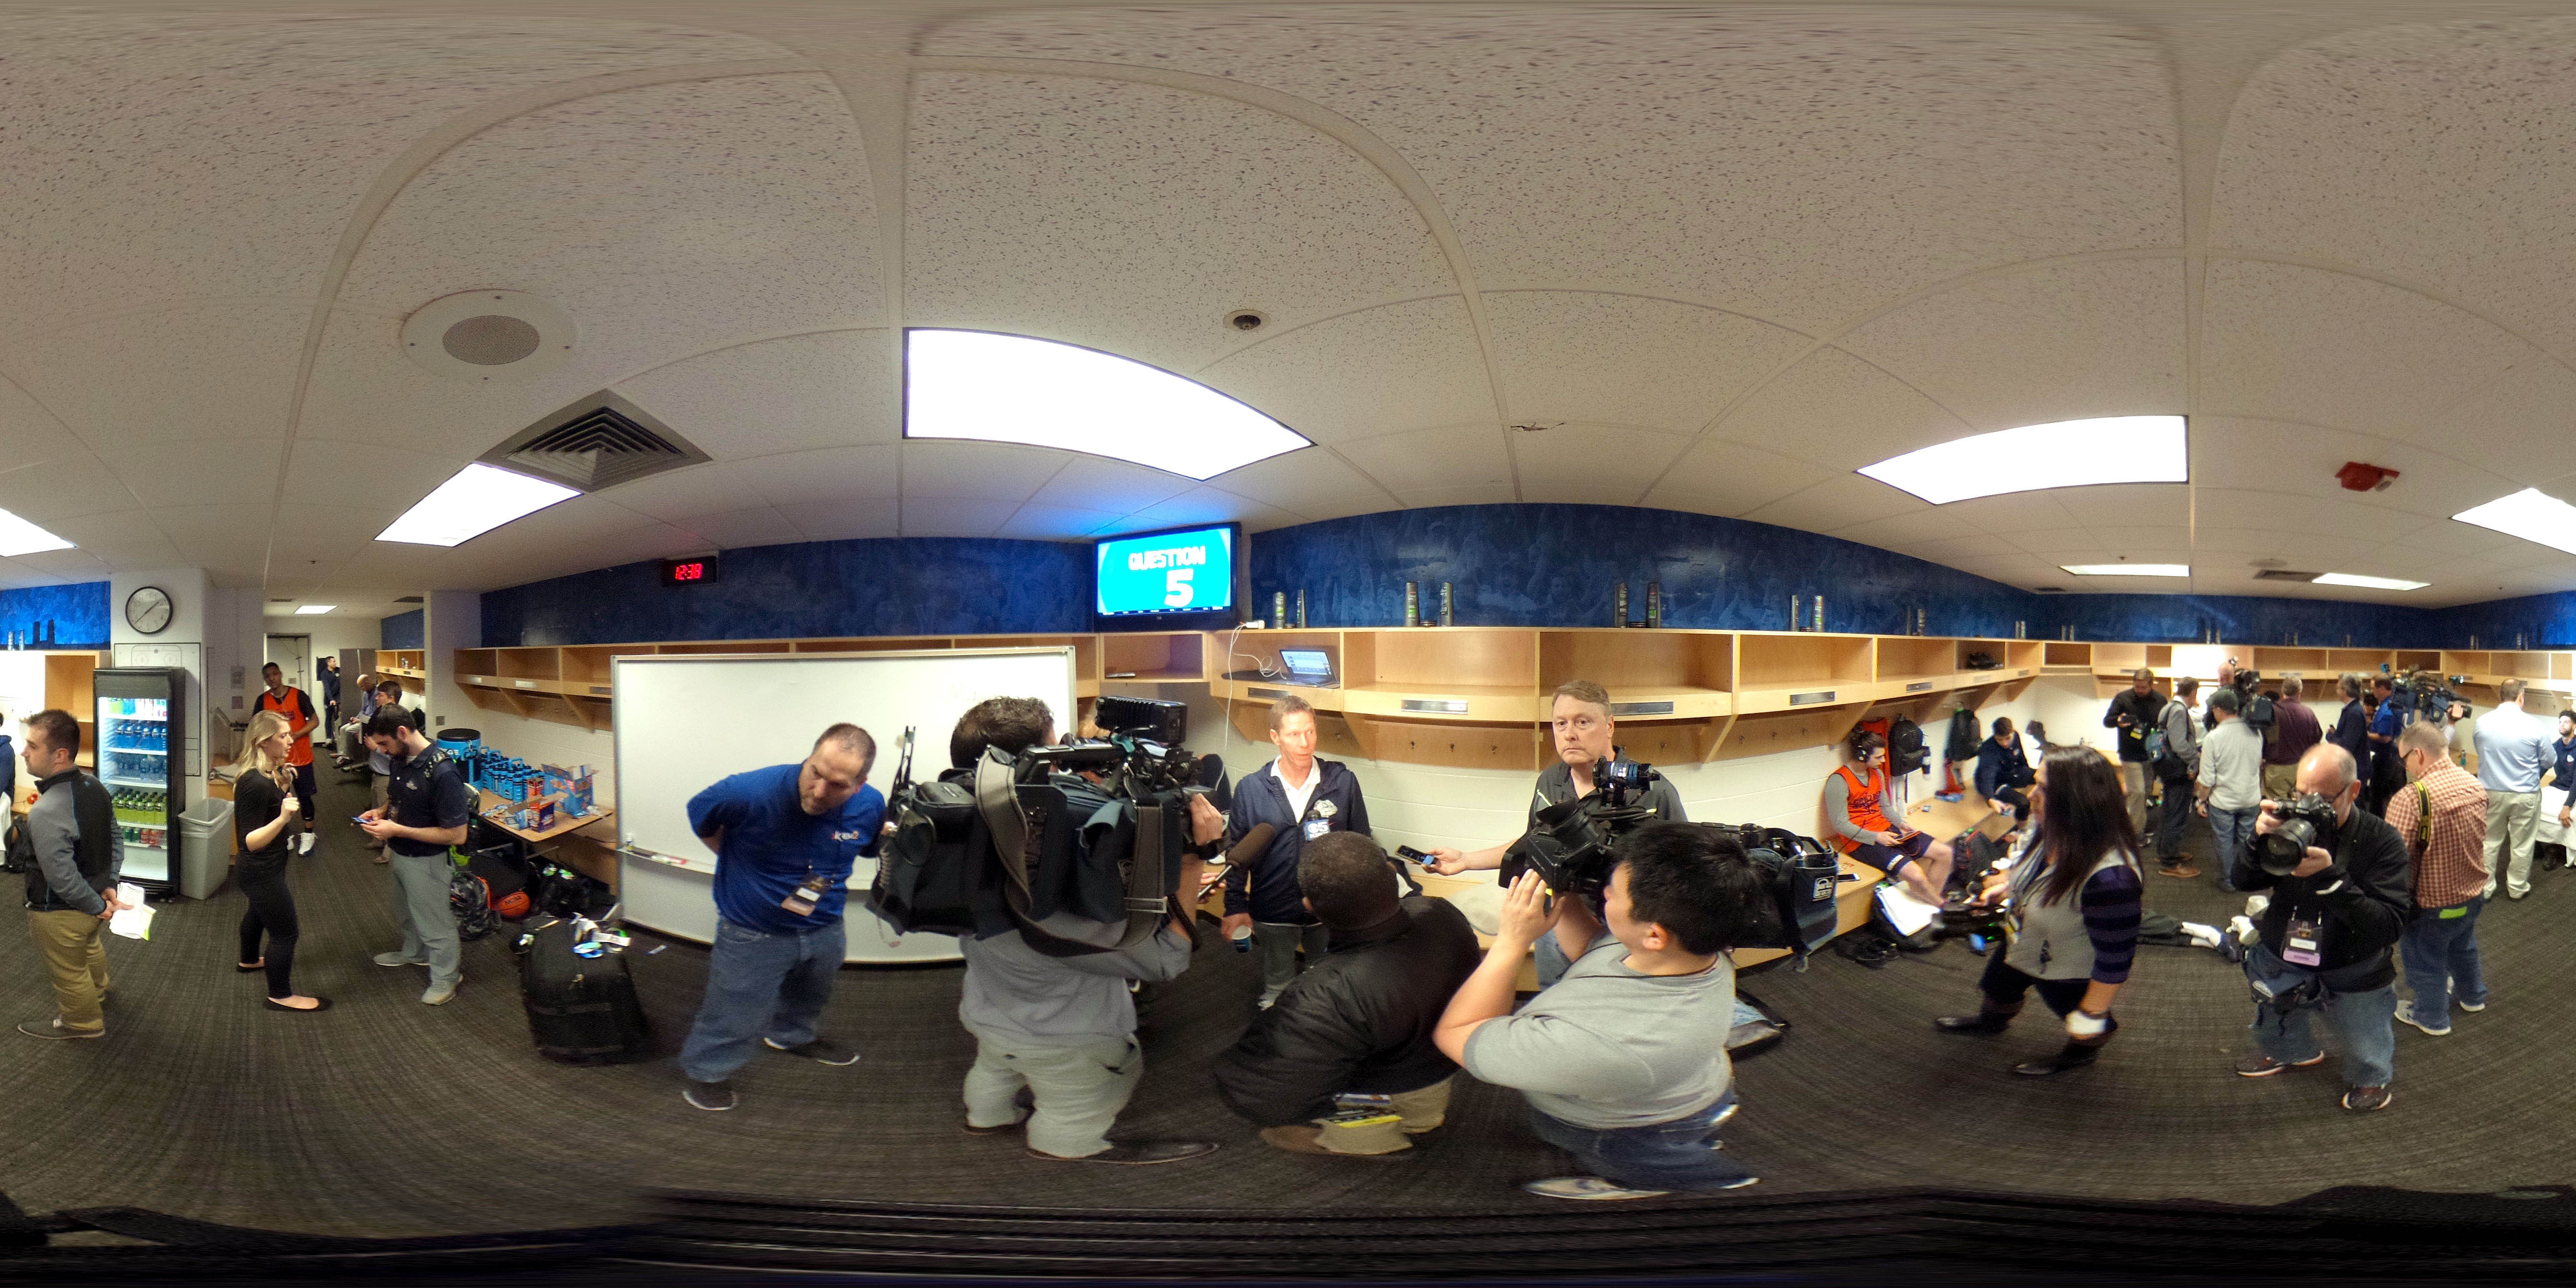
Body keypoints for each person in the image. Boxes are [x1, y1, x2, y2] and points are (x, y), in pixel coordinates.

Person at [949, 698, 1228, 1163]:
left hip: (987, 1013)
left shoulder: (959, 842)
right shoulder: (1054, 896)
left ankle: (987, 1116)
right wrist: (1196, 855)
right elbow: (1166, 959)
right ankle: (1064, 1143)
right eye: (1057, 752)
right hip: (1066, 1039)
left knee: (994, 1068)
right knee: (1084, 1096)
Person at [1438, 821, 1765, 1201]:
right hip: (1690, 1081)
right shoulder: (1699, 946)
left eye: (1612, 895)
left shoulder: (1614, 1043)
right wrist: (1565, 894)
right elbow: (1598, 952)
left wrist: (1511, 943)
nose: (1604, 890)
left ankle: (1669, 1178)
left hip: (1627, 1128)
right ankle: (1702, 1123)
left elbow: (1458, 1032)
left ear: (1655, 935)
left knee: (1613, 1153)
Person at [1213, 832, 1481, 1157]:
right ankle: (1421, 1121)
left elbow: (1265, 1092)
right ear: (1393, 877)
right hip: (1440, 1068)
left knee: (1291, 1126)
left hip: (1384, 1084)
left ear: (1310, 906)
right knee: (1419, 1106)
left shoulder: (1323, 995)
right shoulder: (1441, 913)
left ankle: (1370, 1142)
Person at [675, 725, 884, 1112]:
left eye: (837, 785)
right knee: (735, 1011)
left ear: (860, 784)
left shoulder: (871, 803)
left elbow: (870, 846)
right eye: (815, 773)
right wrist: (733, 858)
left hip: (825, 924)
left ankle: (792, 1036)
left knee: (811, 994)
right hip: (753, 932)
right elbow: (698, 814)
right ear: (809, 758)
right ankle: (707, 1072)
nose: (819, 792)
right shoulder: (747, 792)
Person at [1427, 680, 1687, 988]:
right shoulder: (1551, 780)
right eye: (1560, 724)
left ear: (1609, 726)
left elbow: (1682, 872)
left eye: (1582, 722)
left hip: (1626, 933)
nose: (1569, 734)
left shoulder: (1652, 789)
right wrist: (1466, 860)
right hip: (1558, 917)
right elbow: (1534, 842)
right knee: (1552, 1000)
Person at [1934, 746, 2143, 1076]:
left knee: (2075, 1011)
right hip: (2024, 938)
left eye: (2044, 788)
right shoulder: (2055, 830)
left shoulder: (2112, 878)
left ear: (2077, 799)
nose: (2032, 794)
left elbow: (2116, 959)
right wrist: (2006, 888)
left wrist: (2092, 1014)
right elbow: (2035, 873)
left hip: (2067, 963)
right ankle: (1992, 1024)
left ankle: (2081, 1053)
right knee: (1998, 987)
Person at [2231, 745, 2412, 1113]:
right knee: (2276, 1013)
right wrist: (2257, 841)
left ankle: (2371, 1077)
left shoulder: (2383, 841)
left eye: (2324, 798)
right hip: (2284, 951)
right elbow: (2241, 880)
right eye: (2301, 793)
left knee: (2365, 1036)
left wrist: (2332, 881)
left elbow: (2389, 925)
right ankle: (2294, 1053)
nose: (2308, 805)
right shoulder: (2288, 825)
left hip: (2353, 963)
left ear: (2354, 790)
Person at [1223, 694, 1371, 1008]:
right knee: (1278, 984)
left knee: (1326, 982)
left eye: (1311, 732)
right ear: (1275, 737)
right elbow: (1236, 851)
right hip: (1272, 907)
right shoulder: (1251, 788)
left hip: (1328, 907)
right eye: (1293, 734)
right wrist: (1235, 905)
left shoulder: (1343, 782)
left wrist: (1358, 901)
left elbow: (1361, 841)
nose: (1305, 743)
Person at [16, 709, 124, 1040]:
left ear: (60, 755)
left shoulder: (47, 810)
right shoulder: (94, 785)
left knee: (69, 970)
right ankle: (99, 993)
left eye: (32, 746)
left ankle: (82, 1023)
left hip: (61, 910)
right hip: (93, 898)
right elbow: (115, 838)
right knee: (89, 948)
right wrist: (109, 885)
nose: (24, 752)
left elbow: (60, 877)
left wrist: (95, 904)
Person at [358, 706, 471, 1006]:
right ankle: (414, 953)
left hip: (429, 860)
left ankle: (447, 978)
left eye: (384, 743)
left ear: (403, 733)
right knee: (407, 912)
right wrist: (381, 812)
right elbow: (397, 799)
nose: (381, 750)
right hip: (400, 852)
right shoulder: (399, 759)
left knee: (436, 924)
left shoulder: (443, 771)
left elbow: (457, 835)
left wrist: (396, 829)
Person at [2384, 722, 2489, 1036]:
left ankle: (2432, 1018)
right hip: (2473, 894)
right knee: (2463, 946)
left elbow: (2393, 859)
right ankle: (2473, 997)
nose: (2405, 767)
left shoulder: (2412, 798)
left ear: (2417, 754)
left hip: (2432, 905)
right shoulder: (2473, 783)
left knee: (2425, 961)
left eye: (2404, 760)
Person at [233, 711, 326, 1012]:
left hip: (266, 867)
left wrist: (283, 786)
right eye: (283, 736)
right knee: (286, 933)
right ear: (263, 742)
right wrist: (286, 816)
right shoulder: (253, 783)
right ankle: (281, 995)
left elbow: (266, 809)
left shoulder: (266, 775)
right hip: (260, 869)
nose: (291, 740)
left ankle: (248, 960)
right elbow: (249, 841)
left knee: (258, 912)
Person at [1826, 728, 1952, 907]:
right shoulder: (1839, 781)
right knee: (1916, 875)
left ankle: (1927, 902)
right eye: (1879, 757)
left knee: (1945, 853)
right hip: (1861, 841)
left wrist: (1901, 823)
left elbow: (1884, 806)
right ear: (1862, 756)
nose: (1884, 761)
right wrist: (1876, 837)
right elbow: (1840, 825)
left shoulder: (1876, 774)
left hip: (1887, 830)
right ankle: (1942, 907)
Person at [2470, 678, 2551, 902]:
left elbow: (2481, 749)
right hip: (2525, 794)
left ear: (2501, 696)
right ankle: (2517, 888)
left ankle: (2485, 889)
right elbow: (2550, 759)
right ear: (2521, 697)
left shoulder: (2482, 722)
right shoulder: (2535, 726)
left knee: (2489, 841)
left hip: (2491, 792)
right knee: (2522, 843)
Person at [2195, 689, 2263, 890]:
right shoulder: (2256, 732)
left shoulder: (2214, 738)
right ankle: (2245, 878)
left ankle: (2228, 880)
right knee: (2246, 840)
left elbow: (2207, 779)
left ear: (2218, 710)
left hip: (2224, 801)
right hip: (2250, 798)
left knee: (2224, 841)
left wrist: (2201, 800)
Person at [348, 679, 423, 861]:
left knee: (392, 816)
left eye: (380, 695)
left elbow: (396, 755)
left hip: (387, 776)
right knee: (378, 809)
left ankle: (388, 853)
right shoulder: (380, 718)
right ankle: (378, 841)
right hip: (377, 773)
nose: (377, 698)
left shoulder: (396, 726)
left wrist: (376, 748)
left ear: (391, 697)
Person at [253, 661, 321, 854]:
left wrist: (297, 734)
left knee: (304, 797)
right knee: (278, 799)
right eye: (267, 676)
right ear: (264, 679)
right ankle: (285, 834)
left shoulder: (299, 696)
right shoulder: (263, 701)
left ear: (280, 675)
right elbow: (256, 727)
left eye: (274, 675)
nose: (271, 679)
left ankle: (308, 835)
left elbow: (315, 721)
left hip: (301, 757)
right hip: (275, 760)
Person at [2102, 667, 2164, 835]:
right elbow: (2107, 721)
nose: (2140, 691)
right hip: (2130, 754)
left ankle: (2134, 826)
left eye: (2143, 688)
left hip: (2151, 754)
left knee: (2145, 792)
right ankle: (2135, 834)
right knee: (2137, 793)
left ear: (2151, 685)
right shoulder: (2123, 698)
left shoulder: (2160, 700)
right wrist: (2119, 721)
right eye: (2137, 687)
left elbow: (2164, 725)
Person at [2154, 679, 2202, 877]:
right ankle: (2170, 862)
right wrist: (2195, 758)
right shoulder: (2179, 711)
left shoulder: (2168, 707)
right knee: (2177, 814)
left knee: (2169, 812)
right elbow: (2179, 744)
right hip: (2178, 770)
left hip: (2168, 769)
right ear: (2193, 693)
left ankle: (2166, 853)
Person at [2263, 677, 2323, 801]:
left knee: (2277, 808)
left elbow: (2263, 740)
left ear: (2282, 691)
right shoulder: (2308, 713)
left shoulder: (2272, 712)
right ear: (2300, 691)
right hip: (2302, 767)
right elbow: (2317, 739)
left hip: (2277, 769)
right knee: (2301, 805)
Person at [1973, 716, 2036, 828]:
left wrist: (2028, 772)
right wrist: (1990, 798)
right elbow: (1988, 776)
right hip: (1995, 783)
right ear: (1994, 736)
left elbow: (2021, 758)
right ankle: (2021, 831)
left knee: (2042, 776)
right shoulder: (1988, 749)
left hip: (2010, 772)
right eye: (2000, 740)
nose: (2005, 743)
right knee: (2023, 803)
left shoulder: (2016, 736)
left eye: (2007, 738)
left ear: (2012, 732)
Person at [2363, 675, 2404, 816]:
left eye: (2374, 688)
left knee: (2377, 796)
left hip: (2385, 759)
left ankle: (2377, 827)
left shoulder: (2387, 710)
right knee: (2390, 795)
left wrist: (2365, 733)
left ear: (2381, 689)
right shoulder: (2391, 704)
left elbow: (2385, 738)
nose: (2372, 691)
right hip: (2393, 757)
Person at [2327, 673, 2372, 772]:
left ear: (2346, 691)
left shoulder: (2354, 712)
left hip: (2355, 769)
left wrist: (2330, 736)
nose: (2337, 692)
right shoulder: (2352, 709)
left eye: (2338, 689)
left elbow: (2347, 745)